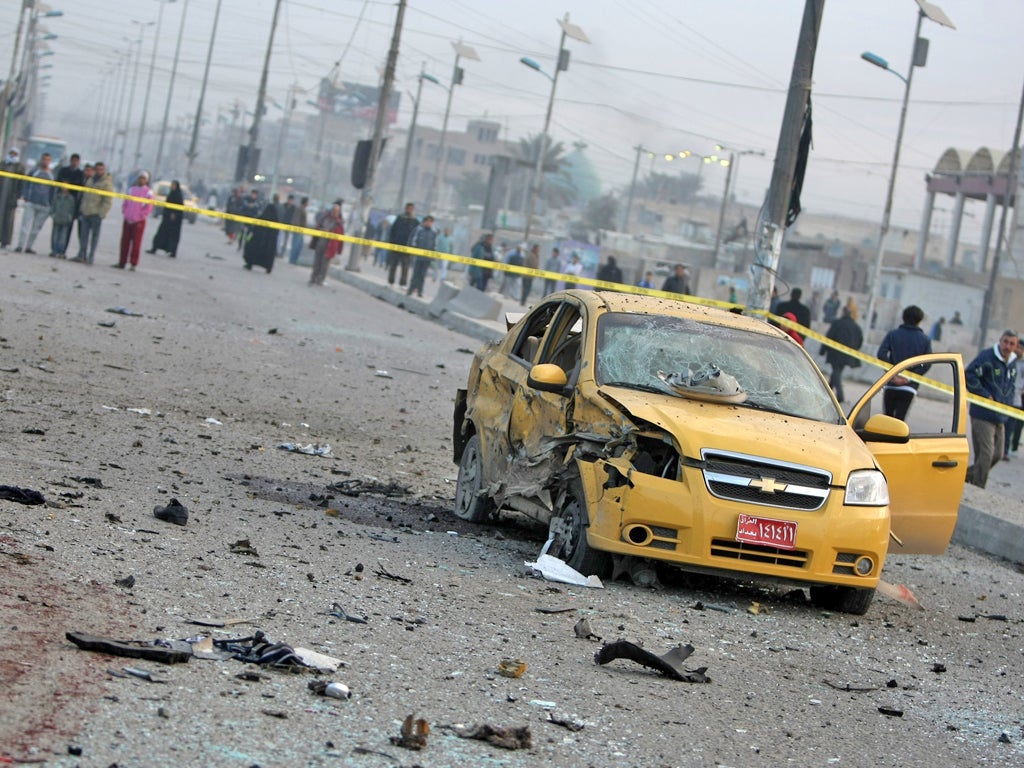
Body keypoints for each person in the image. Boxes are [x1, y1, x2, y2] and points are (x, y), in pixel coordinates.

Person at [964, 330, 1019, 488]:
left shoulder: (1012, 363)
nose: (1007, 346)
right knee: (986, 454)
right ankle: (979, 486)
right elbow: (970, 375)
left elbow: (1010, 386)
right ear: (1000, 341)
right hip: (982, 414)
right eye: (1005, 342)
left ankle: (966, 476)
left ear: (1015, 346)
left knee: (998, 454)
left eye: (1011, 344)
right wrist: (984, 394)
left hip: (1001, 416)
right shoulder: (987, 357)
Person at [876, 305, 932, 420]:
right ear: (919, 321)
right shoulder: (925, 340)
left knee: (887, 419)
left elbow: (881, 354)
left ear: (903, 318)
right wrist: (909, 378)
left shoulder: (893, 334)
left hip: (891, 384)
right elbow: (927, 363)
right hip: (909, 387)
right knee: (900, 420)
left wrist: (892, 375)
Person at [819, 306, 863, 403]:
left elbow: (829, 336)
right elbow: (860, 341)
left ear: (843, 313)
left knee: (836, 371)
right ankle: (828, 392)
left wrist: (823, 350)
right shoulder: (856, 327)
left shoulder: (837, 323)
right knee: (836, 372)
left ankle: (840, 395)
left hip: (835, 354)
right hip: (847, 355)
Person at [73, 161, 113, 264]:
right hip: (86, 212)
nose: (99, 171)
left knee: (94, 237)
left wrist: (102, 213)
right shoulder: (90, 180)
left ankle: (91, 256)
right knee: (83, 236)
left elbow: (107, 201)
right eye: (97, 169)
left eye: (101, 169)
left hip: (96, 214)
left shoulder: (106, 183)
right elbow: (84, 196)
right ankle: (82, 254)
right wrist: (82, 209)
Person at [15, 152, 55, 254]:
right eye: (44, 159)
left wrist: (50, 203)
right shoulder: (34, 172)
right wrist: (26, 197)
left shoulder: (52, 175)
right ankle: (20, 245)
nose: (45, 162)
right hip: (31, 202)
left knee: (36, 228)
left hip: (44, 205)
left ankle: (29, 246)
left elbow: (53, 190)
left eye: (47, 160)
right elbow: (26, 183)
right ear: (41, 160)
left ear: (50, 161)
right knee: (25, 226)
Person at [115, 172, 153, 270]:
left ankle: (133, 263)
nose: (141, 180)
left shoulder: (148, 193)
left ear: (146, 180)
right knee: (125, 241)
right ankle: (122, 261)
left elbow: (148, 207)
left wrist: (141, 215)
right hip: (128, 219)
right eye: (140, 178)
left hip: (139, 221)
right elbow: (125, 202)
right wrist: (125, 212)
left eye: (143, 178)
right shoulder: (131, 190)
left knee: (136, 243)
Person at [309, 199, 343, 285]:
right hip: (320, 243)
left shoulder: (338, 223)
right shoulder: (325, 218)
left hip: (329, 246)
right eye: (333, 211)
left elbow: (339, 236)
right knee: (317, 262)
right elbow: (317, 227)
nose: (334, 213)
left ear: (338, 213)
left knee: (324, 265)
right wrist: (321, 230)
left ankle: (320, 279)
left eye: (336, 211)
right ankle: (313, 277)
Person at [147, 180, 184, 258]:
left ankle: (172, 251)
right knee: (161, 234)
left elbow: (179, 208)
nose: (172, 187)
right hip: (167, 219)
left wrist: (174, 214)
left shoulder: (178, 196)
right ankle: (154, 248)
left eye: (174, 185)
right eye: (172, 185)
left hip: (174, 222)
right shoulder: (171, 194)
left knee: (173, 237)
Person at [387, 202, 419, 287]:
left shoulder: (415, 221)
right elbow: (392, 231)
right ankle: (391, 281)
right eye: (408, 208)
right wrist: (391, 242)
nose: (409, 210)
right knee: (393, 265)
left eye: (411, 209)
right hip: (396, 246)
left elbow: (416, 235)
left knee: (405, 267)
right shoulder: (399, 218)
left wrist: (413, 247)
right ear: (405, 209)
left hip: (407, 249)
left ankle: (403, 283)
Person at [243, 200, 279, 274]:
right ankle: (268, 268)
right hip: (268, 246)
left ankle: (250, 264)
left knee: (252, 250)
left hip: (258, 243)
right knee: (269, 254)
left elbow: (254, 229)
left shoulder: (261, 218)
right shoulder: (276, 222)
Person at [56, 153, 85, 243]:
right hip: (61, 199)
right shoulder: (63, 170)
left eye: (76, 161)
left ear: (79, 162)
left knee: (68, 227)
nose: (74, 163)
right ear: (70, 161)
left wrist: (69, 185)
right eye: (73, 161)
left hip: (72, 202)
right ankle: (55, 248)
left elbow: (80, 185)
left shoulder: (80, 174)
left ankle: (63, 249)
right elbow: (58, 181)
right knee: (57, 225)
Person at [406, 214, 437, 297]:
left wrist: (433, 255)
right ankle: (411, 289)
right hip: (417, 257)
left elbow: (434, 245)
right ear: (424, 222)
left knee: (422, 276)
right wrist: (412, 251)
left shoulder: (433, 233)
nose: (429, 223)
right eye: (428, 221)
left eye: (431, 222)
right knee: (415, 274)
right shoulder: (419, 230)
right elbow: (413, 241)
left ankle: (420, 291)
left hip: (427, 258)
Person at [1, 147, 25, 249]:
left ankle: (5, 241)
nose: (13, 155)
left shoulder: (19, 167)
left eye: (15, 154)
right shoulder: (3, 164)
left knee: (8, 219)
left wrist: (18, 195)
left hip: (11, 197)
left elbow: (21, 183)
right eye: (11, 153)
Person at [1005, 336, 1024, 459]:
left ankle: (1010, 449)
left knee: (1015, 425)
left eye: (1021, 348)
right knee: (1005, 424)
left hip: (1018, 400)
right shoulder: (1009, 360)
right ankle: (1004, 449)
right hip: (1006, 398)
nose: (1018, 350)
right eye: (1018, 347)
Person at [49, 184, 76, 259]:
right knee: (55, 236)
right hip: (57, 218)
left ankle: (61, 251)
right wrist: (53, 214)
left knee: (63, 237)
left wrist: (69, 218)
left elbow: (72, 209)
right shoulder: (57, 196)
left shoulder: (71, 198)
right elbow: (53, 206)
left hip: (65, 220)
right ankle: (54, 250)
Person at [289, 196, 309, 264]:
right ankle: (292, 259)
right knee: (295, 245)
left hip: (301, 230)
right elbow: (296, 219)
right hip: (298, 230)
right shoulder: (300, 209)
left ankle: (295, 259)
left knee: (299, 246)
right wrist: (297, 228)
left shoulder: (303, 209)